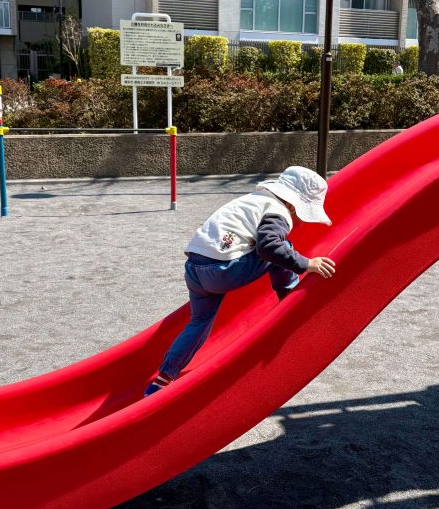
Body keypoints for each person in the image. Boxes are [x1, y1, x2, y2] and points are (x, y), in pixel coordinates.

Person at [144, 166, 336, 396]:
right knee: (284, 249)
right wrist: (307, 264)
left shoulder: (251, 200)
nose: (299, 221)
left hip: (195, 268)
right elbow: (269, 246)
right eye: (300, 215)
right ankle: (290, 296)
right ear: (293, 205)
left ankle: (163, 379)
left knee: (198, 324)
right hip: (223, 270)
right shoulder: (278, 212)